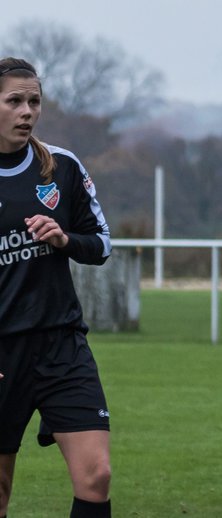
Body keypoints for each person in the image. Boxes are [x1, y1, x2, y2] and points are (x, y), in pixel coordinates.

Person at [0, 58, 114, 518]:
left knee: (96, 476)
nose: (27, 111)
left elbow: (102, 243)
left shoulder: (60, 167)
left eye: (34, 101)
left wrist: (65, 238)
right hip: (2, 353)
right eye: (14, 101)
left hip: (61, 345)